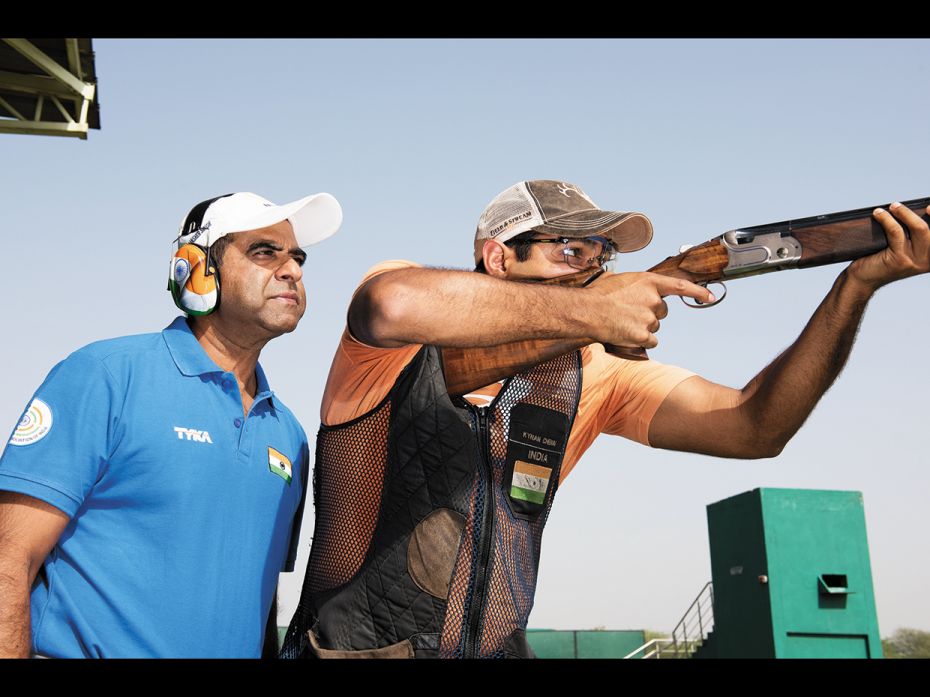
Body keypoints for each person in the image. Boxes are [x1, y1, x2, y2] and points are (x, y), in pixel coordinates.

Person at [281, 180, 929, 659]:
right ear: (498, 256)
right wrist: (594, 314)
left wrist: (857, 287)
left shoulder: (593, 375)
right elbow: (390, 305)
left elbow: (756, 426)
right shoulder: (399, 332)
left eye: (602, 258)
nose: (593, 272)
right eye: (571, 252)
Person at [0, 190, 342, 658]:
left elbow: (260, 607)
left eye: (297, 257)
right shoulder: (105, 376)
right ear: (196, 268)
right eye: (264, 251)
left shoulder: (288, 435)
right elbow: (9, 557)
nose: (292, 270)